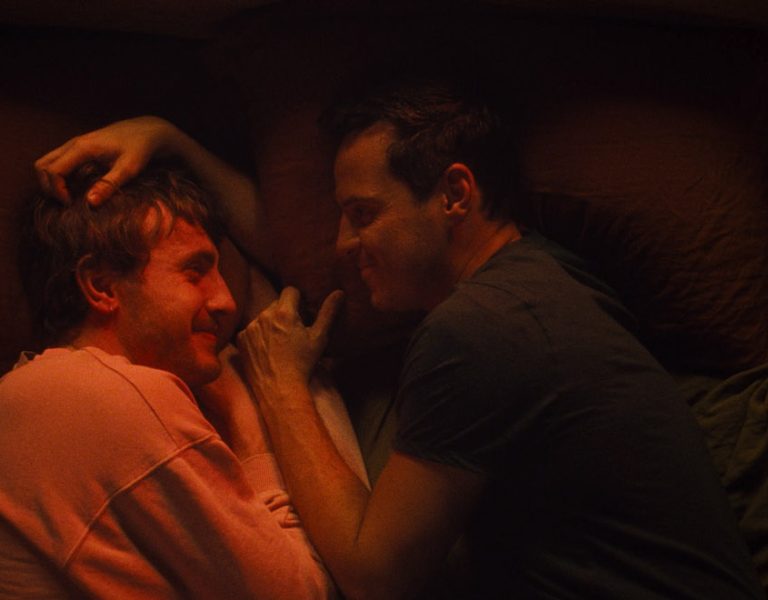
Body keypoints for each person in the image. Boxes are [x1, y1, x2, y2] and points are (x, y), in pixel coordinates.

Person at [35, 79, 765, 599]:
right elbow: (301, 263)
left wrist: (281, 385)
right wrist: (174, 141)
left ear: (454, 195)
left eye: (362, 214)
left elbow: (374, 576)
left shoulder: (478, 330)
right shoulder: (545, 275)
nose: (343, 243)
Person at [0, 162, 336, 598]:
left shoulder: (24, 394)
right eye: (194, 272)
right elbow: (302, 593)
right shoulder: (116, 394)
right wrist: (248, 419)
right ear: (101, 286)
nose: (225, 301)